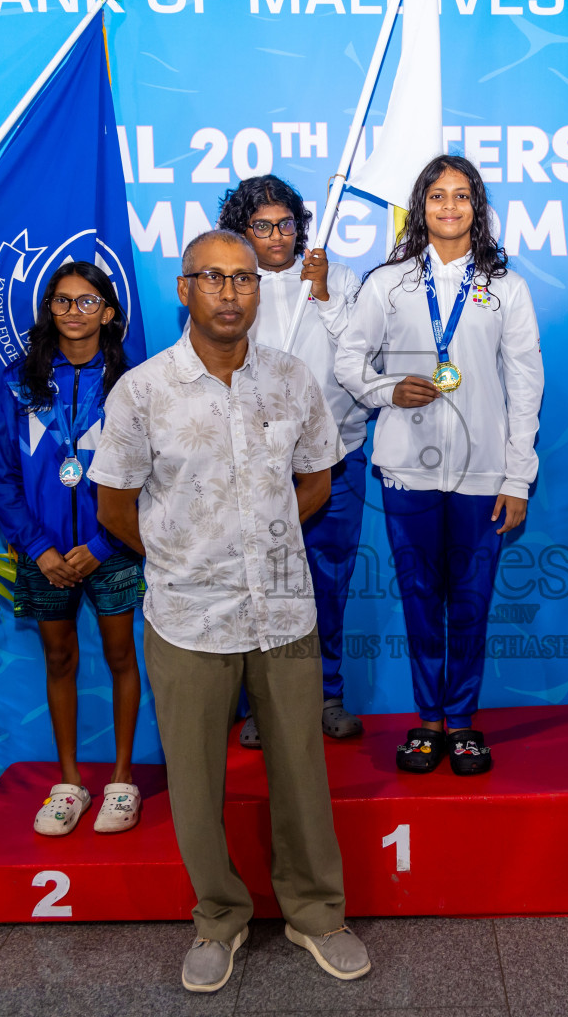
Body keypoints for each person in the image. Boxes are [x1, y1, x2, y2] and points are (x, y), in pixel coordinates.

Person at [90, 229, 371, 993]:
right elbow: (114, 503)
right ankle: (219, 917)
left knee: (301, 768)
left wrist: (272, 546)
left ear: (258, 289)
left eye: (243, 279)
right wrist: (181, 554)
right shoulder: (142, 390)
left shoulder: (291, 380)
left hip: (284, 611)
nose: (229, 293)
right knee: (193, 775)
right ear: (185, 289)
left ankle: (317, 912)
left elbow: (316, 477)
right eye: (212, 278)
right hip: (187, 614)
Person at [334, 155, 544, 776]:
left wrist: (517, 478)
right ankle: (429, 722)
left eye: (461, 196)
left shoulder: (506, 287)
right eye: (436, 195)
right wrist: (385, 390)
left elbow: (525, 383)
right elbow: (350, 359)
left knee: (472, 602)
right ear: (418, 206)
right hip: (408, 472)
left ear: (477, 208)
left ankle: (465, 722)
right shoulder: (388, 283)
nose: (449, 206)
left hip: (485, 477)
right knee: (421, 599)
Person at [0, 261, 146, 837]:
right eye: (61, 301)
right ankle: (71, 781)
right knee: (59, 660)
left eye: (87, 301)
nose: (74, 312)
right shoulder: (18, 383)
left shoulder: (134, 382)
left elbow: (151, 474)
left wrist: (102, 545)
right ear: (47, 310)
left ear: (108, 311)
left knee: (122, 656)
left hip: (115, 547)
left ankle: (123, 780)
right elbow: (1, 474)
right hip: (42, 552)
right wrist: (38, 547)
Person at [218, 175, 367, 745]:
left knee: (329, 585)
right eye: (262, 225)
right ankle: (264, 704)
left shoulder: (338, 276)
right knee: (264, 587)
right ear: (243, 231)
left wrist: (325, 294)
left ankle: (327, 696)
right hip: (254, 466)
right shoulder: (231, 288)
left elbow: (362, 357)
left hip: (335, 462)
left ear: (299, 226)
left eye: (284, 224)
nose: (276, 236)